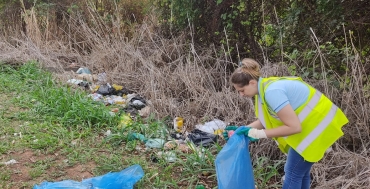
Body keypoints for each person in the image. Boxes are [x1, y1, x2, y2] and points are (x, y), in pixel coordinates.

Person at [225, 58, 349, 189]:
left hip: (316, 127)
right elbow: (265, 120)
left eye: (242, 90)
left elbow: (294, 127)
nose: (241, 95)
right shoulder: (263, 90)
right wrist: (243, 129)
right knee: (300, 172)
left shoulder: (272, 92)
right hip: (313, 127)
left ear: (252, 83)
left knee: (293, 172)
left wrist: (257, 134)